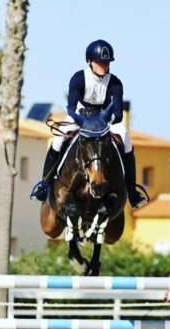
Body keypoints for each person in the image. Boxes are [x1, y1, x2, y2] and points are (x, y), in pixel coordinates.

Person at [29, 39, 148, 209]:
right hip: (80, 117)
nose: (104, 66)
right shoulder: (78, 78)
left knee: (126, 139)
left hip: (104, 121)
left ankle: (132, 191)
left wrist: (103, 121)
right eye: (100, 62)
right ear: (90, 61)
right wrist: (85, 120)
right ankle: (44, 185)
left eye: (106, 62)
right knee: (57, 140)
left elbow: (118, 114)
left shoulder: (115, 83)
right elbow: (71, 108)